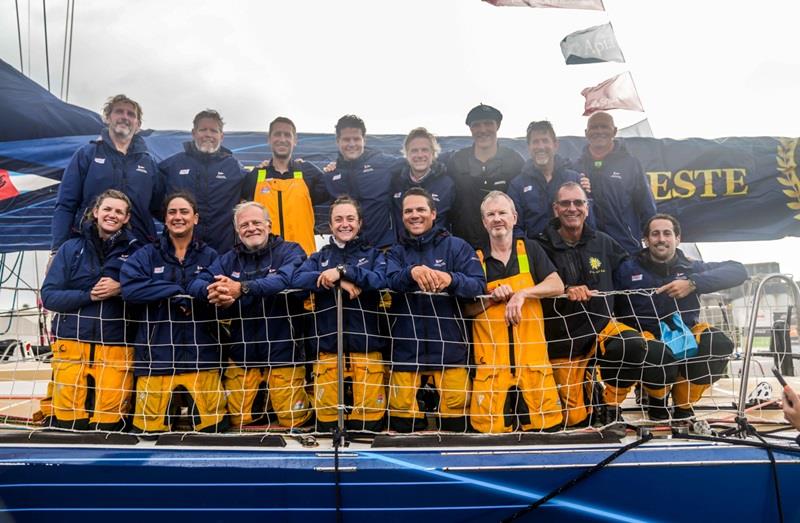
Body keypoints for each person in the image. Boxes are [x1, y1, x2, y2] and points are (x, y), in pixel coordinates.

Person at [537, 182, 675, 425]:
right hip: (563, 342)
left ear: (587, 208)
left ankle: (611, 407)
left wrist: (670, 265)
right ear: (555, 209)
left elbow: (633, 268)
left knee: (635, 346)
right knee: (574, 419)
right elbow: (535, 284)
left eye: (578, 203)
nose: (573, 208)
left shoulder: (603, 242)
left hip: (602, 329)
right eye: (566, 203)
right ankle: (593, 398)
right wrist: (566, 289)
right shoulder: (538, 246)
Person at [615, 213, 748, 419]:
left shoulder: (690, 267)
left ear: (678, 239)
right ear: (646, 240)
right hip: (645, 337)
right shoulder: (626, 268)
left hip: (685, 334)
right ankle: (656, 401)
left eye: (667, 233)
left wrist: (693, 283)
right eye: (655, 234)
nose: (661, 239)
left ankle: (683, 404)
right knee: (654, 350)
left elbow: (738, 270)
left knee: (719, 343)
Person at [191, 201, 310, 429]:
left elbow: (285, 280)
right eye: (244, 225)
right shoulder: (228, 259)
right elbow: (196, 283)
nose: (251, 228)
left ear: (269, 224)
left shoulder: (291, 250)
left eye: (256, 222)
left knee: (293, 421)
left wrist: (242, 288)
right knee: (240, 422)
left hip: (284, 355)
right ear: (237, 231)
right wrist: (216, 293)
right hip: (242, 356)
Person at [121, 192, 226, 433]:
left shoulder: (211, 256)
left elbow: (218, 287)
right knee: (148, 433)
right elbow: (130, 289)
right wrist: (176, 290)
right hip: (156, 360)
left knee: (214, 432)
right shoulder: (146, 254)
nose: (178, 217)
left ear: (195, 218)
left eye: (184, 212)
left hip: (203, 357)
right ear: (165, 219)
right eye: (172, 212)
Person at [386, 187, 485, 432]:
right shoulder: (395, 252)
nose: (414, 215)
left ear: (433, 213)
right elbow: (387, 280)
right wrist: (411, 272)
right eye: (408, 211)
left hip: (450, 351)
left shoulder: (457, 247)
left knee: (455, 426)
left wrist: (451, 280)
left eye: (420, 209)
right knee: (402, 426)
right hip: (406, 354)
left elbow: (478, 284)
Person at [466, 191, 564, 433]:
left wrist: (521, 294)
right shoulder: (473, 257)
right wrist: (492, 299)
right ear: (483, 222)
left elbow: (557, 285)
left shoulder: (530, 249)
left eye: (502, 213)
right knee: (488, 439)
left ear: (514, 217)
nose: (497, 219)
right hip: (492, 373)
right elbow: (467, 308)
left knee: (546, 436)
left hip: (533, 370)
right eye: (491, 214)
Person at [41, 189, 139, 430]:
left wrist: (121, 288)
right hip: (72, 346)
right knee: (67, 422)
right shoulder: (70, 249)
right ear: (96, 212)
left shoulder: (138, 252)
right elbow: (49, 296)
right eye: (107, 209)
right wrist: (89, 295)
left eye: (119, 211)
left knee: (110, 423)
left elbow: (148, 293)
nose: (112, 215)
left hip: (116, 346)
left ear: (126, 218)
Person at [292, 196, 389, 431]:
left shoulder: (375, 255)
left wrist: (344, 271)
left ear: (360, 223)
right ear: (330, 224)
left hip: (366, 350)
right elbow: (297, 279)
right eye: (338, 219)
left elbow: (381, 279)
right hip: (328, 351)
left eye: (350, 218)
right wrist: (336, 282)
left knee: (368, 426)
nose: (344, 224)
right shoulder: (318, 257)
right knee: (327, 426)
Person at [51, 94, 159, 252]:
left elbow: (162, 209)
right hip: (89, 246)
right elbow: (66, 204)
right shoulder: (87, 154)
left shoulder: (149, 163)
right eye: (119, 112)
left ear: (138, 125)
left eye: (131, 114)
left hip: (136, 249)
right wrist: (57, 250)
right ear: (108, 118)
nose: (124, 117)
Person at [158, 110, 248, 253]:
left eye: (214, 130)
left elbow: (258, 187)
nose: (208, 134)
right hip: (180, 253)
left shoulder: (234, 168)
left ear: (222, 136)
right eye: (203, 130)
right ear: (194, 133)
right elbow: (155, 204)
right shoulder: (172, 165)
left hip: (222, 252)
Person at [571, 112, 656, 254]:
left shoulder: (631, 164)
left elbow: (647, 207)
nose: (599, 131)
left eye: (604, 127)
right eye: (594, 127)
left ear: (614, 131)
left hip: (626, 247)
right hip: (588, 249)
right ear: (586, 133)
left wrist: (651, 242)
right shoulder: (576, 167)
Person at [242, 116, 327, 255]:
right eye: (277, 134)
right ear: (269, 139)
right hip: (266, 261)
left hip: (304, 260)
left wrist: (334, 167)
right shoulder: (255, 176)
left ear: (295, 141)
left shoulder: (308, 171)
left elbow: (336, 190)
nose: (282, 139)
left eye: (287, 135)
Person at [446, 104, 524, 248]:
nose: (482, 130)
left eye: (488, 124)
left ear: (498, 126)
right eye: (476, 125)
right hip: (465, 245)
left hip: (505, 245)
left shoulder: (514, 161)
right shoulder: (456, 161)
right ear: (470, 129)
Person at [321, 115, 401, 249]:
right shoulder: (331, 174)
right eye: (346, 139)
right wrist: (297, 165)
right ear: (337, 141)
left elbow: (416, 163)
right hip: (347, 252)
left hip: (383, 249)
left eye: (356, 139)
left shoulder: (383, 162)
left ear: (364, 139)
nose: (352, 144)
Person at [507, 120, 587, 239]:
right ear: (529, 147)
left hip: (570, 251)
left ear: (555, 145)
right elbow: (514, 227)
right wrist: (528, 254)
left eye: (545, 141)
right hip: (535, 253)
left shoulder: (575, 179)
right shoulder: (517, 185)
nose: (540, 147)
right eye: (535, 142)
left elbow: (587, 221)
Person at [390, 127, 454, 237]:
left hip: (437, 249)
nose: (419, 155)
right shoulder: (396, 183)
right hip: (404, 249)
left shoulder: (447, 184)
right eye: (414, 150)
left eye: (424, 150)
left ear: (433, 153)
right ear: (406, 154)